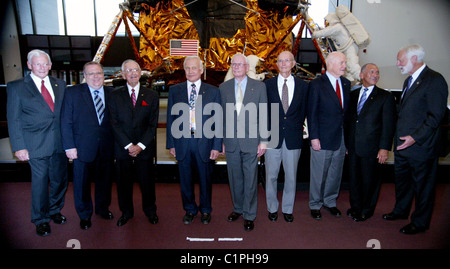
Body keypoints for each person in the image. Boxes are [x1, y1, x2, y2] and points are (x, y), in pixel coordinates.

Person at [383, 44, 448, 234]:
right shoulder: (408, 81)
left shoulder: (434, 80)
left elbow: (436, 116)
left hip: (422, 147)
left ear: (414, 59)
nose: (397, 64)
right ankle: (400, 211)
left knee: (423, 187)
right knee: (402, 182)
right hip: (403, 146)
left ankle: (420, 222)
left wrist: (415, 138)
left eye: (400, 60)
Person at [6, 49, 68, 236]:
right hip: (34, 144)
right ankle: (40, 219)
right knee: (40, 183)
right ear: (29, 65)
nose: (42, 67)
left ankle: (55, 210)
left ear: (50, 66)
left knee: (59, 181)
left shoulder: (60, 84)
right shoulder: (16, 86)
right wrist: (19, 146)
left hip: (59, 143)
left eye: (45, 64)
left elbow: (64, 115)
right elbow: (14, 118)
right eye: (37, 64)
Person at [166, 56, 222, 225]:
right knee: (185, 180)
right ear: (184, 70)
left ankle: (205, 210)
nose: (191, 71)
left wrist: (216, 146)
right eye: (187, 68)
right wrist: (171, 144)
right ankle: (189, 209)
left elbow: (218, 120)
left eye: (194, 68)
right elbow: (170, 118)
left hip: (204, 143)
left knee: (205, 180)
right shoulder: (175, 91)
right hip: (182, 143)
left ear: (201, 70)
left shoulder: (213, 91)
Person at [61, 61, 115, 230]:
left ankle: (102, 208)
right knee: (81, 183)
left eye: (98, 73)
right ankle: (84, 215)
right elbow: (65, 121)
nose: (96, 77)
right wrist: (69, 146)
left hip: (107, 146)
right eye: (91, 74)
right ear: (84, 76)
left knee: (105, 181)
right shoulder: (72, 93)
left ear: (103, 75)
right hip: (81, 147)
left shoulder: (112, 93)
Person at [108, 59, 159, 226]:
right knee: (123, 184)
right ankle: (126, 212)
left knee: (147, 183)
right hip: (123, 149)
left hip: (145, 149)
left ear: (141, 73)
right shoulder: (114, 95)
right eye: (128, 70)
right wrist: (129, 146)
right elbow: (114, 123)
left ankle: (150, 211)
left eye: (136, 70)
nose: (133, 73)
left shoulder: (151, 95)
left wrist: (140, 146)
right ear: (123, 75)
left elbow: (153, 124)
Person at [219, 54, 268, 231]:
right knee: (235, 178)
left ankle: (249, 214)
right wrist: (221, 141)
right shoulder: (223, 88)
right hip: (231, 142)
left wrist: (263, 141)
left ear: (247, 67)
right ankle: (238, 208)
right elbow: (220, 117)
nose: (236, 67)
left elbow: (263, 115)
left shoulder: (259, 87)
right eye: (234, 64)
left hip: (252, 141)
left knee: (250, 179)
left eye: (240, 64)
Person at [345, 63, 396, 222]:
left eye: (377, 72)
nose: (375, 75)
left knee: (370, 180)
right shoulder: (353, 95)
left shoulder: (385, 97)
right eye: (372, 72)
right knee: (354, 179)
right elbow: (349, 121)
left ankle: (366, 210)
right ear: (361, 75)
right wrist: (347, 144)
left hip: (372, 148)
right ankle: (355, 207)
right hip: (353, 147)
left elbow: (388, 125)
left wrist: (384, 148)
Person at [264, 51, 308, 222]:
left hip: (293, 138)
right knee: (271, 176)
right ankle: (272, 208)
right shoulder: (266, 85)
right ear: (276, 64)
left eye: (287, 60)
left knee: (291, 176)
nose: (283, 64)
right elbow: (262, 112)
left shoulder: (304, 86)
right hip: (271, 138)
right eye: (280, 61)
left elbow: (305, 111)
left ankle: (288, 209)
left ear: (293, 63)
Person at [307, 51, 350, 220]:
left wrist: (348, 140)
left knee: (335, 172)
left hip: (341, 138)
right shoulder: (317, 84)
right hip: (322, 138)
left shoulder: (346, 84)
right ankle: (315, 204)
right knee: (319, 173)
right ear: (330, 63)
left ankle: (330, 201)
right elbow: (312, 113)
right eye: (342, 63)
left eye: (345, 63)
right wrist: (314, 137)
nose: (344, 66)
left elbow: (346, 114)